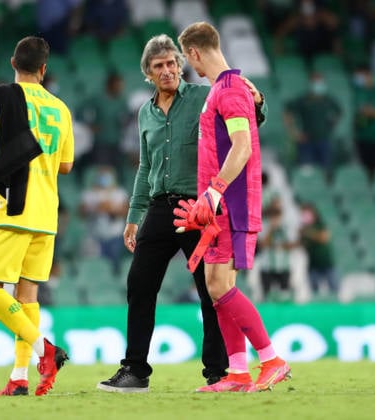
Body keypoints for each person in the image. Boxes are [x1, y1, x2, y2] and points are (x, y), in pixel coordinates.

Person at [97, 34, 267, 393]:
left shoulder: (205, 98)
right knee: (139, 285)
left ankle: (219, 373)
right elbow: (145, 168)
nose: (168, 70)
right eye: (159, 66)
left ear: (181, 64)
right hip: (160, 207)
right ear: (148, 73)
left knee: (211, 292)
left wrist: (258, 100)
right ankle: (135, 370)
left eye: (173, 63)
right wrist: (133, 215)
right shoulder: (145, 113)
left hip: (199, 207)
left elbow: (242, 122)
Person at [176, 21, 290, 393]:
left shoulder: (229, 91)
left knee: (222, 286)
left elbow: (243, 146)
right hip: (218, 207)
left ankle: (271, 359)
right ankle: (238, 373)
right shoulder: (225, 90)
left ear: (193, 53)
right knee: (214, 286)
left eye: (186, 58)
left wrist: (214, 191)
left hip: (231, 204)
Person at [0, 36, 74, 397]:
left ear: (12, 63)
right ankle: (19, 377)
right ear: (43, 69)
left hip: (11, 210)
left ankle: (45, 351)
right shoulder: (61, 108)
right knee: (28, 297)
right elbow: (66, 165)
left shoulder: (2, 99)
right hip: (45, 216)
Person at [283, 71, 342, 170]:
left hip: (324, 140)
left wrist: (331, 125)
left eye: (320, 82)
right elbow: (287, 113)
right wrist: (295, 133)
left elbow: (338, 112)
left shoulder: (328, 100)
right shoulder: (303, 100)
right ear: (310, 84)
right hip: (307, 141)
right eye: (316, 82)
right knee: (307, 171)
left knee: (326, 171)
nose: (318, 85)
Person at [79, 165, 129, 274]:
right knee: (96, 268)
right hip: (95, 236)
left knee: (115, 267)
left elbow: (126, 212)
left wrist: (112, 210)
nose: (104, 178)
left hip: (115, 236)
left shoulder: (119, 193)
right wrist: (95, 208)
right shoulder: (89, 193)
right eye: (102, 176)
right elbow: (81, 213)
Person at [352, 64, 375, 180]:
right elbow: (356, 113)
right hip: (362, 136)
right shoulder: (357, 92)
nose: (358, 79)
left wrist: (374, 113)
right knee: (364, 169)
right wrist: (363, 114)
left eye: (361, 76)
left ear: (369, 76)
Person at [258, 197, 296, 302]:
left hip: (283, 266)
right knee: (266, 295)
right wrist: (271, 229)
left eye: (277, 216)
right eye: (273, 217)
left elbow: (293, 245)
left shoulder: (286, 228)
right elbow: (262, 244)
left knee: (285, 295)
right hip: (267, 266)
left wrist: (282, 244)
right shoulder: (265, 227)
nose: (275, 219)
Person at [298, 202, 337, 296]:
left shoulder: (319, 224)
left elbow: (324, 238)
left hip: (326, 262)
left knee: (334, 288)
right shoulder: (303, 227)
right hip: (313, 264)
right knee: (314, 291)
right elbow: (302, 244)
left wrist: (308, 233)